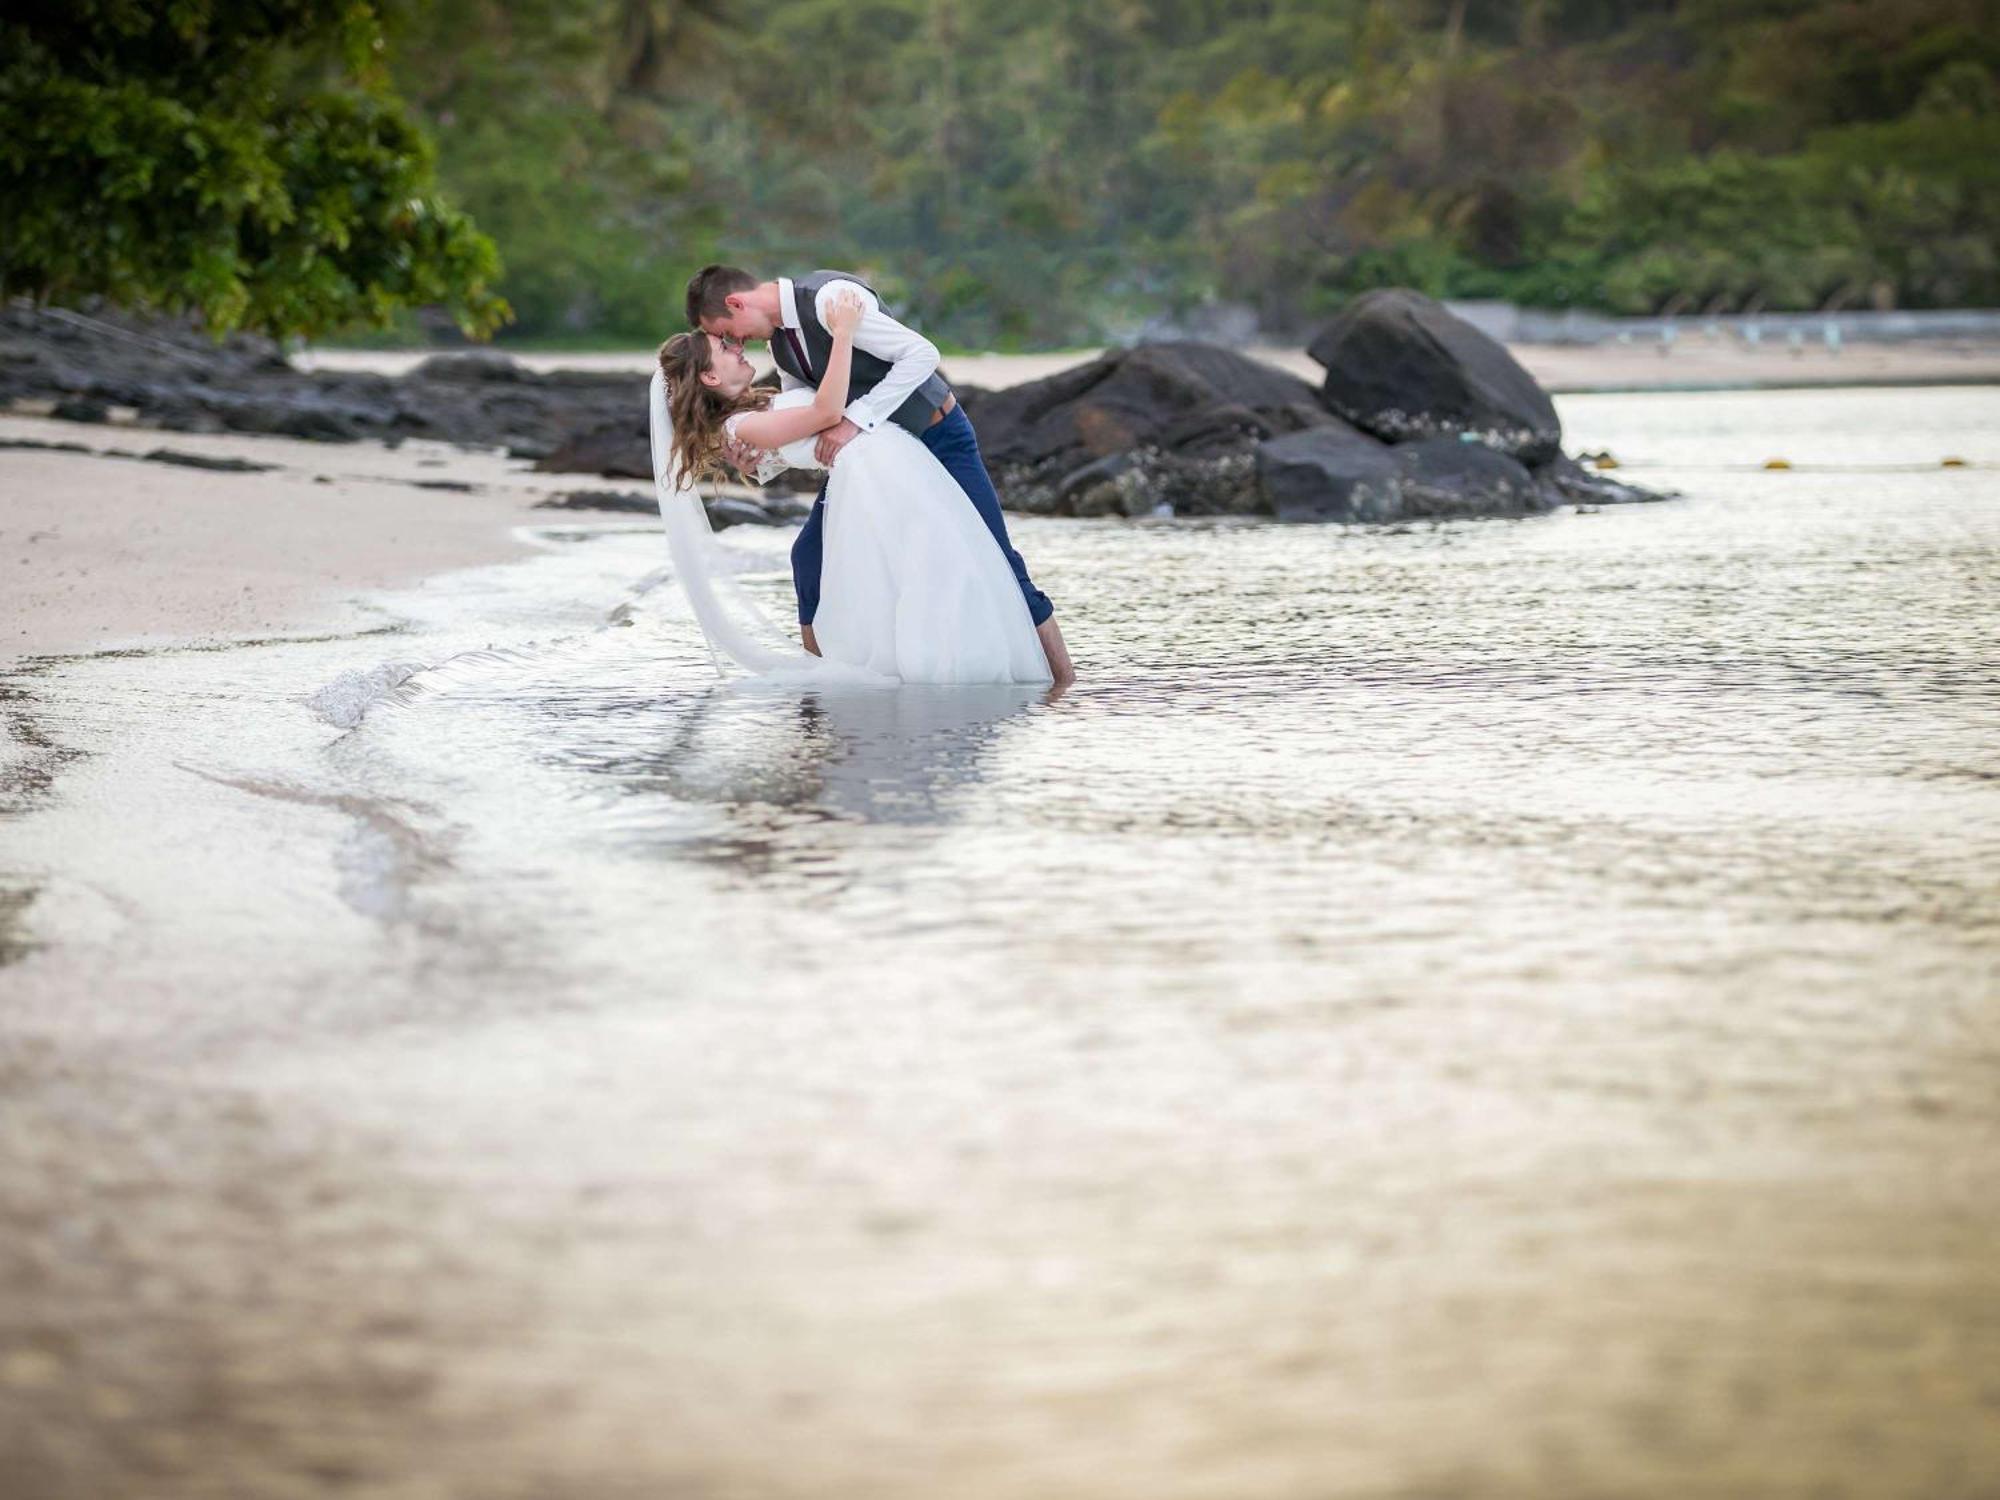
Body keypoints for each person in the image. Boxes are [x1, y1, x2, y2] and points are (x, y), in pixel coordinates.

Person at [685, 264, 1076, 685]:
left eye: (728, 331)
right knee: (808, 559)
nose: (735, 342)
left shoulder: (830, 299)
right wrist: (762, 455)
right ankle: (819, 685)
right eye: (726, 341)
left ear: (736, 303)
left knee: (1000, 558)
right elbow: (806, 407)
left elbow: (922, 355)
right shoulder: (780, 345)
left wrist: (856, 419)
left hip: (935, 435)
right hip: (875, 458)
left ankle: (1064, 684)